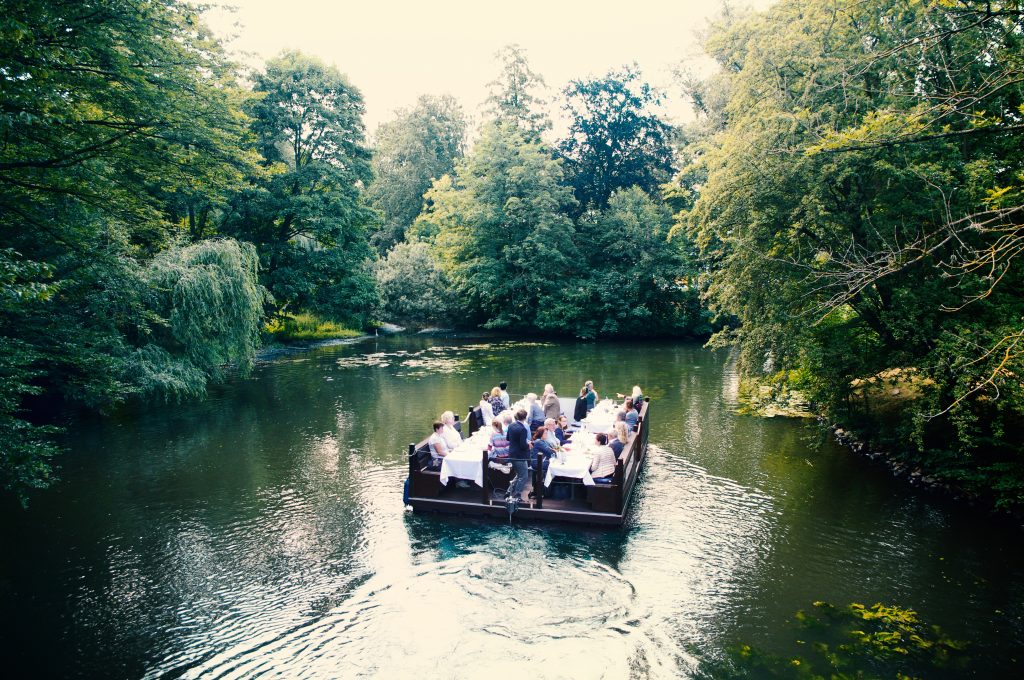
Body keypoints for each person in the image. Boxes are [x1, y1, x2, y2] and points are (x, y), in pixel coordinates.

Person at [506, 409, 532, 501]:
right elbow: (522, 445)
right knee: (524, 476)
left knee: (519, 475)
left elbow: (508, 438)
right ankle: (517, 494)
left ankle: (509, 491)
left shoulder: (511, 425)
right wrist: (528, 445)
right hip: (520, 456)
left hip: (511, 453)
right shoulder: (523, 429)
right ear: (525, 417)